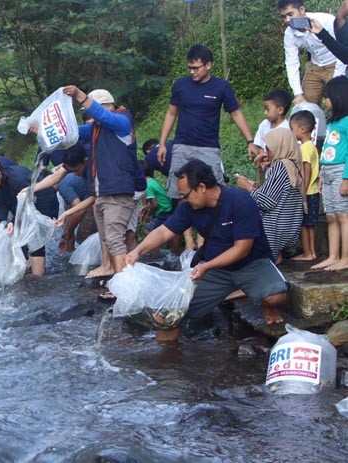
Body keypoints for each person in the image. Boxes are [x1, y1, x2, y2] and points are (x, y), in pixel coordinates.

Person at [127, 159, 288, 342]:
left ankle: (263, 303)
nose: (183, 200)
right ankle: (166, 363)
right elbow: (164, 232)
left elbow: (242, 249)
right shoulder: (189, 207)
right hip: (216, 270)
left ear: (201, 187)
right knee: (171, 315)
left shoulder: (241, 202)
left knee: (275, 296)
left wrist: (206, 266)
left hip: (250, 264)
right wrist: (137, 251)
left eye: (185, 195)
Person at [57, 85, 145, 283]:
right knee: (108, 238)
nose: (90, 115)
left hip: (118, 192)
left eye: (92, 110)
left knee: (116, 239)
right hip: (104, 192)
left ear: (109, 105)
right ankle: (118, 278)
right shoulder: (96, 128)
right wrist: (42, 129)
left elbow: (105, 117)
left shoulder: (122, 122)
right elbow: (71, 133)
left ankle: (124, 286)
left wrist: (80, 95)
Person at [157, 44, 258, 201]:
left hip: (208, 147)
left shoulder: (221, 87)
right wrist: (162, 144)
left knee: (214, 193)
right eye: (190, 68)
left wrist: (250, 141)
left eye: (196, 68)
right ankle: (184, 225)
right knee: (179, 194)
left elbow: (236, 113)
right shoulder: (180, 85)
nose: (192, 72)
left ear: (209, 65)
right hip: (182, 146)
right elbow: (171, 113)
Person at [0, 158, 58, 276]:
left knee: (35, 242)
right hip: (22, 206)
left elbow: (26, 207)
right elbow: (2, 205)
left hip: (43, 202)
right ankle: (29, 270)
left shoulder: (17, 180)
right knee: (21, 241)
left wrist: (13, 222)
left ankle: (38, 281)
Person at [235, 129, 304, 263]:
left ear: (279, 146)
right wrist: (262, 169)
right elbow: (273, 193)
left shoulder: (281, 166)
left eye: (269, 148)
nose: (266, 152)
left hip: (274, 228)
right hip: (287, 226)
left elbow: (267, 203)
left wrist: (247, 186)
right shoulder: (291, 165)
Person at [312, 76, 348, 271]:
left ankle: (345, 257)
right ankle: (333, 256)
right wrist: (320, 176)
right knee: (331, 217)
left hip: (341, 171)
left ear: (339, 96)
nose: (324, 101)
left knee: (343, 216)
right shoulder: (333, 122)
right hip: (327, 172)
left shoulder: (347, 122)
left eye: (327, 97)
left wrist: (346, 178)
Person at [278, 1, 345, 105]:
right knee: (306, 104)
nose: (287, 20)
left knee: (337, 101)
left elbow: (343, 53)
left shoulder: (326, 20)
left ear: (302, 10)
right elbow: (292, 63)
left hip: (335, 63)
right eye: (284, 17)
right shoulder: (289, 33)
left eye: (290, 14)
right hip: (315, 66)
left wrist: (336, 80)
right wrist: (298, 93)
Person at [31, 143, 90, 252]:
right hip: (89, 196)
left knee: (84, 237)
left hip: (97, 199)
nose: (76, 174)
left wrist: (67, 233)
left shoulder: (63, 185)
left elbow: (79, 211)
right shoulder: (68, 175)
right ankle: (69, 253)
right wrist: (67, 233)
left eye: (76, 170)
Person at [289, 110, 321, 261]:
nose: (292, 133)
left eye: (292, 129)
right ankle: (312, 252)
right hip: (312, 191)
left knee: (304, 224)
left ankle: (308, 253)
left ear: (303, 129)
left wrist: (303, 195)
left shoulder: (305, 148)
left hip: (307, 192)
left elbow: (306, 170)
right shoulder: (311, 146)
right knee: (310, 224)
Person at [253, 89, 292, 155]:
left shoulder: (287, 129)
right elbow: (259, 146)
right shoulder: (264, 124)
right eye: (264, 109)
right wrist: (262, 156)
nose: (265, 112)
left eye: (268, 109)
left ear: (280, 110)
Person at [141, 160, 173, 232]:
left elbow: (154, 205)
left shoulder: (148, 186)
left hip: (164, 211)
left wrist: (148, 215)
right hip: (167, 208)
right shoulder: (151, 181)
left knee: (148, 231)